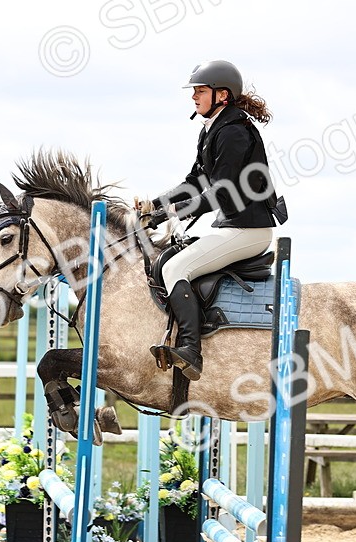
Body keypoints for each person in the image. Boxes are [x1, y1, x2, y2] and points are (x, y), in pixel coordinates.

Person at [143, 59, 286, 381]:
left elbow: (222, 192)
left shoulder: (233, 132)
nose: (194, 96)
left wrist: (172, 212)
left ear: (222, 95)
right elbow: (194, 182)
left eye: (200, 91)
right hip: (234, 227)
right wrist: (155, 205)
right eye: (194, 91)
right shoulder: (213, 129)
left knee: (175, 268)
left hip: (249, 230)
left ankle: (191, 350)